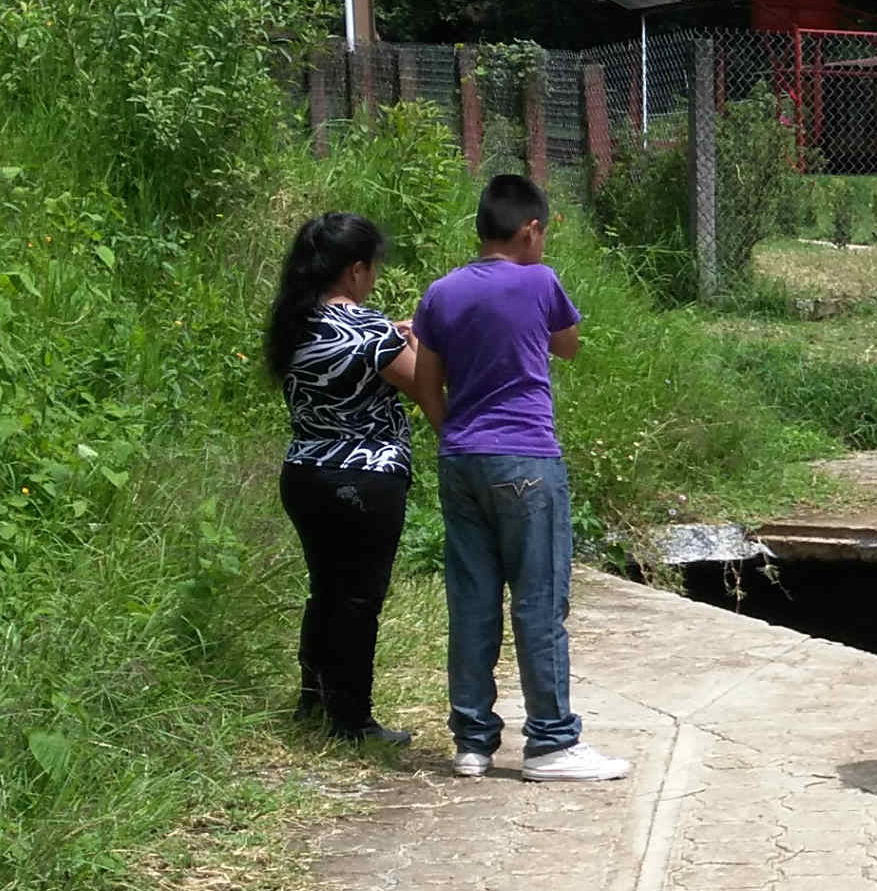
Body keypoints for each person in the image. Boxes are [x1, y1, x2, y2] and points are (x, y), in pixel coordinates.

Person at [410, 173, 629, 782]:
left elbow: (427, 381)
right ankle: (552, 742)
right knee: (538, 602)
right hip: (528, 459)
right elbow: (569, 346)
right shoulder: (540, 281)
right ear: (531, 229)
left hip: (460, 460)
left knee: (473, 601)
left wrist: (452, 431)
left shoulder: (441, 292)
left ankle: (472, 743)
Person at [266, 211, 432, 747]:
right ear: (355, 271)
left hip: (304, 473)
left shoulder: (292, 322)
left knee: (325, 590)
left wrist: (397, 336)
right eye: (372, 269)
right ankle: (353, 722)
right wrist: (420, 342)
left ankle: (312, 701)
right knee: (360, 599)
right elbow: (422, 384)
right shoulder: (372, 329)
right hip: (367, 477)